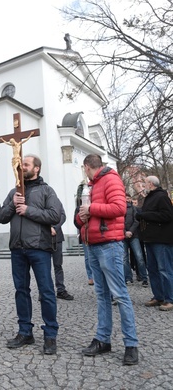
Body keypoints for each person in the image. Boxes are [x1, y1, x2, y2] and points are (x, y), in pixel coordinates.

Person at [76, 154, 139, 366]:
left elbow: (119, 208)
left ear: (87, 166)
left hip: (109, 244)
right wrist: (81, 216)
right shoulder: (90, 185)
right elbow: (81, 215)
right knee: (102, 296)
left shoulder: (111, 179)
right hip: (92, 243)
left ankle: (131, 344)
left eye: (83, 168)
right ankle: (103, 340)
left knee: (120, 295)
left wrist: (91, 209)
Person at [0, 154, 62, 355]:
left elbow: (56, 215)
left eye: (25, 164)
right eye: (20, 164)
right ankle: (25, 331)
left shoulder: (46, 190)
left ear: (36, 169)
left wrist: (28, 210)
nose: (21, 167)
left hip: (39, 248)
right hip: (17, 248)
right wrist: (12, 204)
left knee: (46, 292)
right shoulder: (13, 192)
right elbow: (1, 217)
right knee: (21, 291)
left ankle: (50, 334)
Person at [137, 176, 173, 311]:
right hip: (150, 239)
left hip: (162, 240)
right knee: (152, 270)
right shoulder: (149, 197)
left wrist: (145, 215)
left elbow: (168, 216)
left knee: (165, 270)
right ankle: (158, 296)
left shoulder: (162, 197)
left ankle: (170, 299)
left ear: (151, 184)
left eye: (145, 183)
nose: (143, 185)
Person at [123, 194, 148, 287]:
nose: (127, 200)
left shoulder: (134, 208)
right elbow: (119, 221)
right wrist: (124, 232)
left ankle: (144, 277)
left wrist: (130, 231)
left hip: (134, 235)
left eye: (128, 198)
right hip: (123, 236)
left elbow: (136, 221)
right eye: (126, 198)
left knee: (139, 257)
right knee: (124, 259)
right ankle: (128, 278)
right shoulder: (120, 208)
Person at [51, 208, 74, 300]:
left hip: (57, 237)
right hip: (43, 238)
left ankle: (60, 290)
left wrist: (54, 228)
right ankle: (44, 291)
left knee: (58, 265)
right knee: (44, 267)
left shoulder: (56, 200)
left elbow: (63, 216)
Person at [74, 182, 93, 285]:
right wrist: (81, 221)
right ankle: (90, 276)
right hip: (84, 235)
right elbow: (76, 222)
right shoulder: (78, 208)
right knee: (87, 257)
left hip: (93, 234)